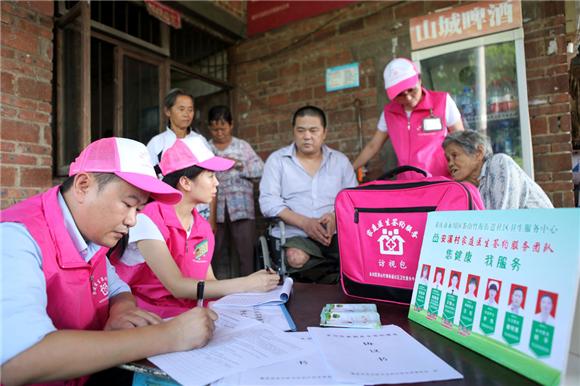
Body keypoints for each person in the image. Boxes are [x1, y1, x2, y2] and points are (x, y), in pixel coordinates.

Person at [0, 138, 218, 385]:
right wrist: (166, 336)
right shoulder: (15, 238)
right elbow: (16, 360)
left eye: (139, 210)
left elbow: (117, 288)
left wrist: (122, 311)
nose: (132, 220)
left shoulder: (90, 234)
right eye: (128, 204)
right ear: (83, 185)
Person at [112, 136, 279, 318]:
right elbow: (177, 286)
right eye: (210, 175)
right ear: (185, 182)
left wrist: (248, 292)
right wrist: (247, 284)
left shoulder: (201, 226)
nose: (217, 182)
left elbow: (209, 282)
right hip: (149, 317)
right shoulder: (148, 218)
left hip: (189, 316)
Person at [259, 105, 357, 283]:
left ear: (324, 132)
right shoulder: (278, 161)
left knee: (358, 254)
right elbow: (268, 202)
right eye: (301, 130)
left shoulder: (340, 162)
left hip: (334, 234)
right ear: (293, 132)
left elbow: (354, 200)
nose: (307, 136)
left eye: (313, 130)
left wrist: (336, 217)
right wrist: (305, 223)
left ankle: (331, 279)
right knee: (296, 257)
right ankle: (323, 279)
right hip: (295, 234)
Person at [352, 57, 464, 180]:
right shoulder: (389, 112)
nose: (409, 98)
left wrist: (463, 175)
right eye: (400, 95)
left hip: (441, 181)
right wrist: (351, 168)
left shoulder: (442, 102)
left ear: (419, 80)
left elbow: (461, 140)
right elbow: (373, 146)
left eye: (412, 90)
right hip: (408, 185)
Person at [208, 105, 264, 277]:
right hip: (214, 211)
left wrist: (238, 165)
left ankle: (250, 292)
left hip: (241, 209)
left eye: (223, 128)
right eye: (215, 129)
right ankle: (212, 291)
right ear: (210, 127)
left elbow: (260, 169)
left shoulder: (242, 146)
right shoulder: (206, 148)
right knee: (212, 254)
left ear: (231, 125)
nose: (219, 133)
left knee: (246, 254)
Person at [147, 88, 213, 220]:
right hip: (168, 211)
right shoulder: (156, 144)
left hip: (201, 211)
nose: (187, 114)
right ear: (167, 111)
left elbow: (212, 176)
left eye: (190, 109)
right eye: (181, 109)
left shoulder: (200, 141)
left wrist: (212, 218)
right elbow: (149, 180)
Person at [443, 130, 554, 209]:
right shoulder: (474, 187)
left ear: (479, 153)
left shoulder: (499, 162)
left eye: (455, 155)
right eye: (448, 159)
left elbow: (501, 218)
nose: (450, 164)